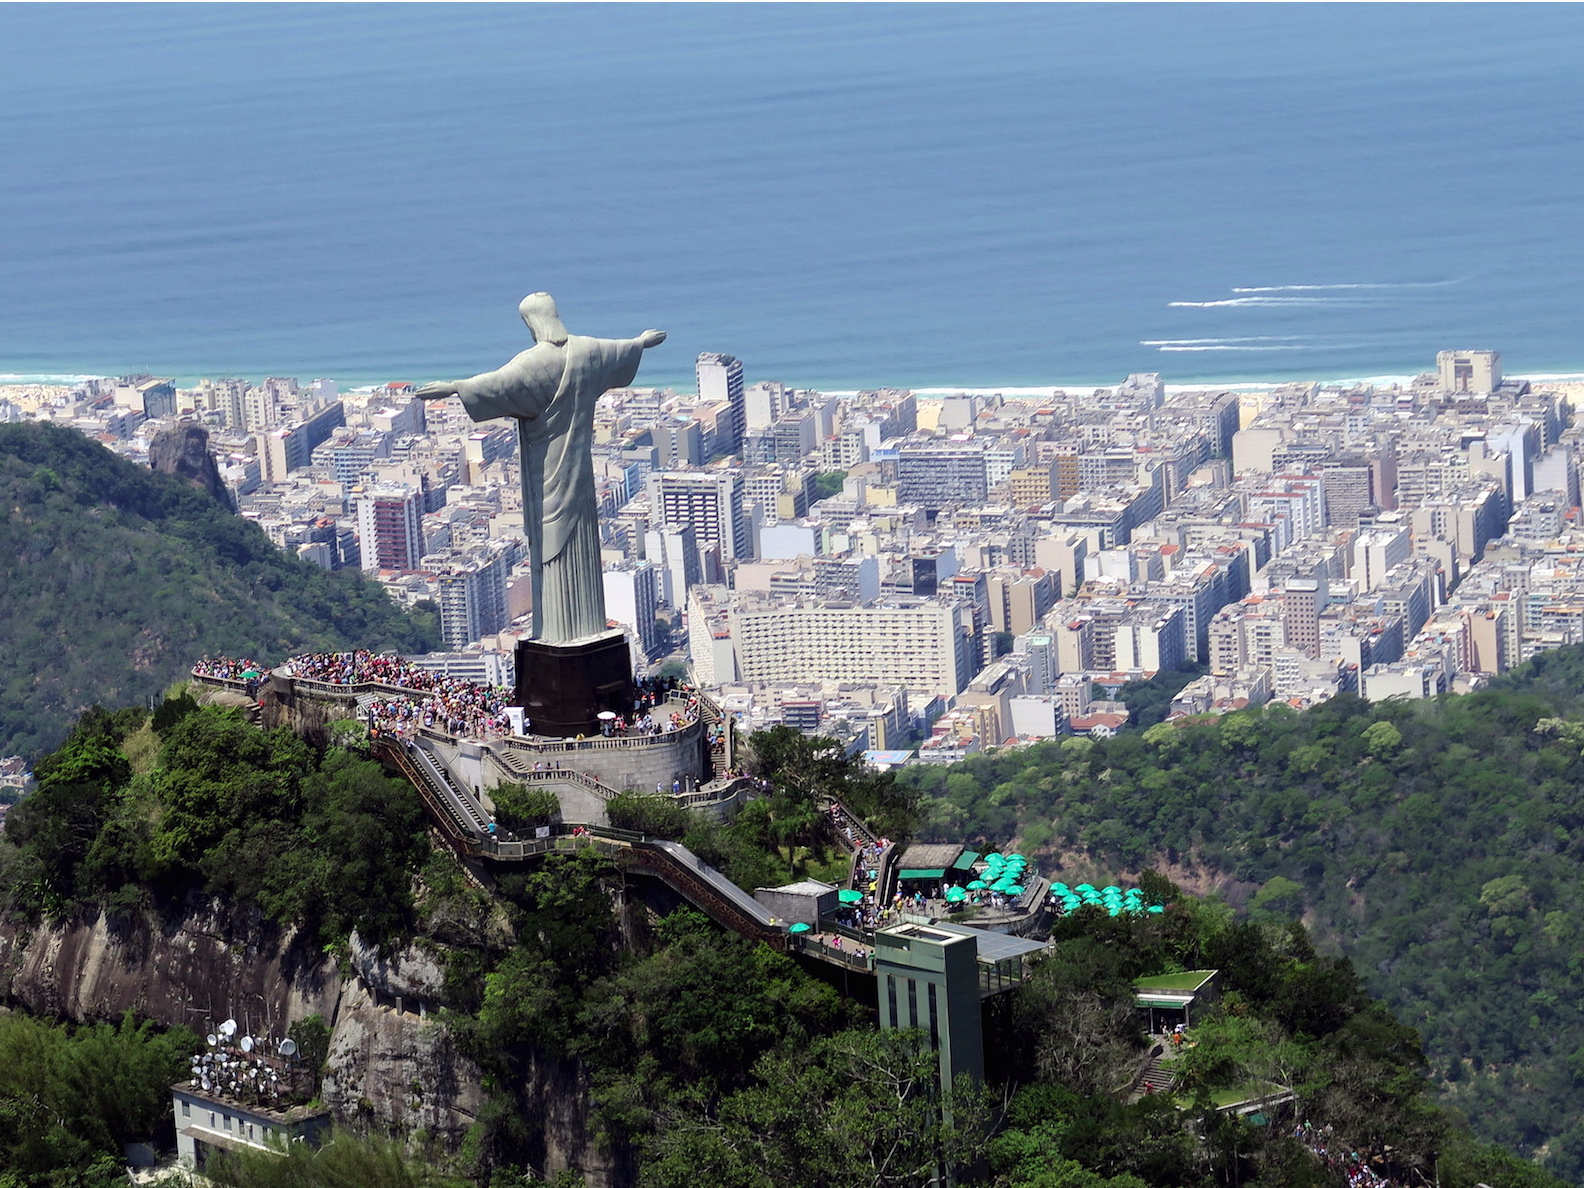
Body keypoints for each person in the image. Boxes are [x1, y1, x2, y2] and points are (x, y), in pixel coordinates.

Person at [415, 294, 665, 643]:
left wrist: (455, 387)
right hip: (579, 474)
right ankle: (585, 625)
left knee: (550, 542)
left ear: (532, 323)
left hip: (545, 473)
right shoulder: (588, 351)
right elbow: (620, 350)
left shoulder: (531, 364)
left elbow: (496, 385)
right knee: (581, 540)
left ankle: (556, 632)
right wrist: (642, 341)